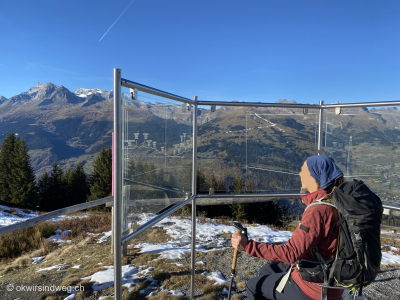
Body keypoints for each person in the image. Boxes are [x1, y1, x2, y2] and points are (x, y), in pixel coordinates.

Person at [231, 155, 345, 300]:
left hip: (316, 288)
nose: (299, 173)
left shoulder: (318, 211)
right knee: (266, 270)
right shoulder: (335, 202)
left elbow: (290, 254)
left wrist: (248, 246)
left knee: (254, 286)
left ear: (315, 177)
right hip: (327, 275)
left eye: (303, 170)